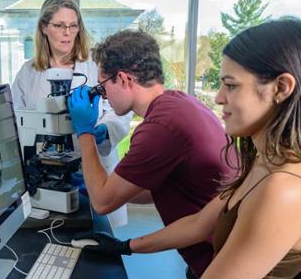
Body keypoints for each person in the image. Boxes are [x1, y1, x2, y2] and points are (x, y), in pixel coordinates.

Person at [75, 20, 301, 279]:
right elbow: (197, 225)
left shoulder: (285, 188)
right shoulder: (266, 163)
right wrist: (126, 246)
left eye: (231, 85)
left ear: (281, 87)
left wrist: (84, 132)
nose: (218, 97)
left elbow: (103, 201)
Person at [66, 29, 235, 278]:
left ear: (123, 79)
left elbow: (102, 202)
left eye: (103, 88)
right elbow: (163, 187)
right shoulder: (182, 103)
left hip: (222, 264)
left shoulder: (158, 127)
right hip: (216, 250)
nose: (104, 98)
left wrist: (85, 133)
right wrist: (103, 187)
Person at [11, 0, 132, 227]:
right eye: (59, 25)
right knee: (51, 234)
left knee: (98, 237)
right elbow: (17, 118)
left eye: (73, 25)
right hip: (48, 170)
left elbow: (120, 109)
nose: (67, 32)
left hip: (95, 163)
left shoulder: (96, 65)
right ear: (44, 28)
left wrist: (105, 130)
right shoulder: (28, 72)